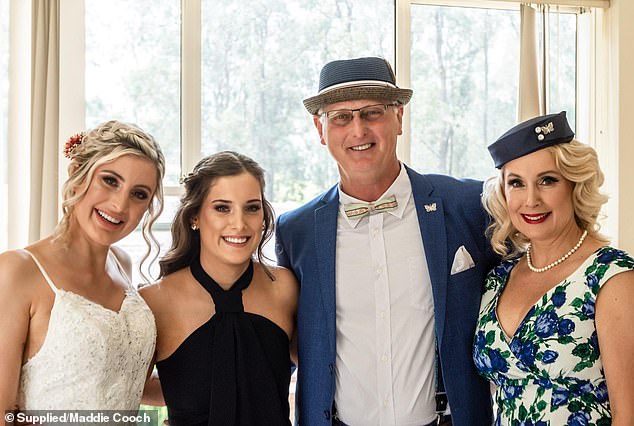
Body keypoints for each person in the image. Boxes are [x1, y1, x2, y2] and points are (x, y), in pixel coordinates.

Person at [275, 56, 497, 426]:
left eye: (372, 112)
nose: (358, 130)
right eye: (341, 117)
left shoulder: (468, 206)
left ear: (398, 118)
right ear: (320, 128)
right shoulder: (295, 231)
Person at [473, 111, 634, 425]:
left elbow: (628, 415)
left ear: (574, 185)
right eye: (516, 183)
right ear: (504, 194)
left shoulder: (611, 277)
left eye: (547, 180)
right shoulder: (498, 279)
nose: (531, 199)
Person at [0, 120, 164, 418]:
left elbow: (120, 379)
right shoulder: (17, 271)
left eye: (139, 194)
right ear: (77, 173)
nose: (119, 205)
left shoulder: (123, 264)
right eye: (110, 181)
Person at [140, 151, 298, 426]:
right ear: (194, 217)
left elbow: (318, 367)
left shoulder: (284, 287)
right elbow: (131, 388)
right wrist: (188, 394)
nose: (239, 224)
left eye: (252, 207)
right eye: (222, 208)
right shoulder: (155, 301)